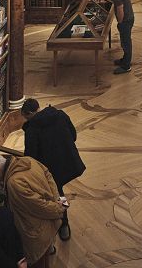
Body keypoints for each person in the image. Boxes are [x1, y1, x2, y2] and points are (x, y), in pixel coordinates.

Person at [0, 151, 64, 268]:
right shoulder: (27, 160)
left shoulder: (14, 183)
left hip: (36, 233)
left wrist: (59, 209)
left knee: (40, 262)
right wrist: (58, 200)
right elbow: (48, 174)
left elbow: (39, 207)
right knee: (45, 257)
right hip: (46, 227)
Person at [21, 97, 86, 242]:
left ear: (30, 113)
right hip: (68, 161)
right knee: (59, 192)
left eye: (26, 117)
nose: (26, 121)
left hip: (51, 170)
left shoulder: (32, 129)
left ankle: (64, 224)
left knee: (59, 195)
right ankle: (62, 223)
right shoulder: (60, 115)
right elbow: (73, 135)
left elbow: (31, 156)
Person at [101, 0, 134, 74]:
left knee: (125, 42)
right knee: (125, 41)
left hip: (125, 20)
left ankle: (126, 66)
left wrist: (120, 22)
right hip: (129, 17)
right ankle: (125, 60)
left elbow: (120, 10)